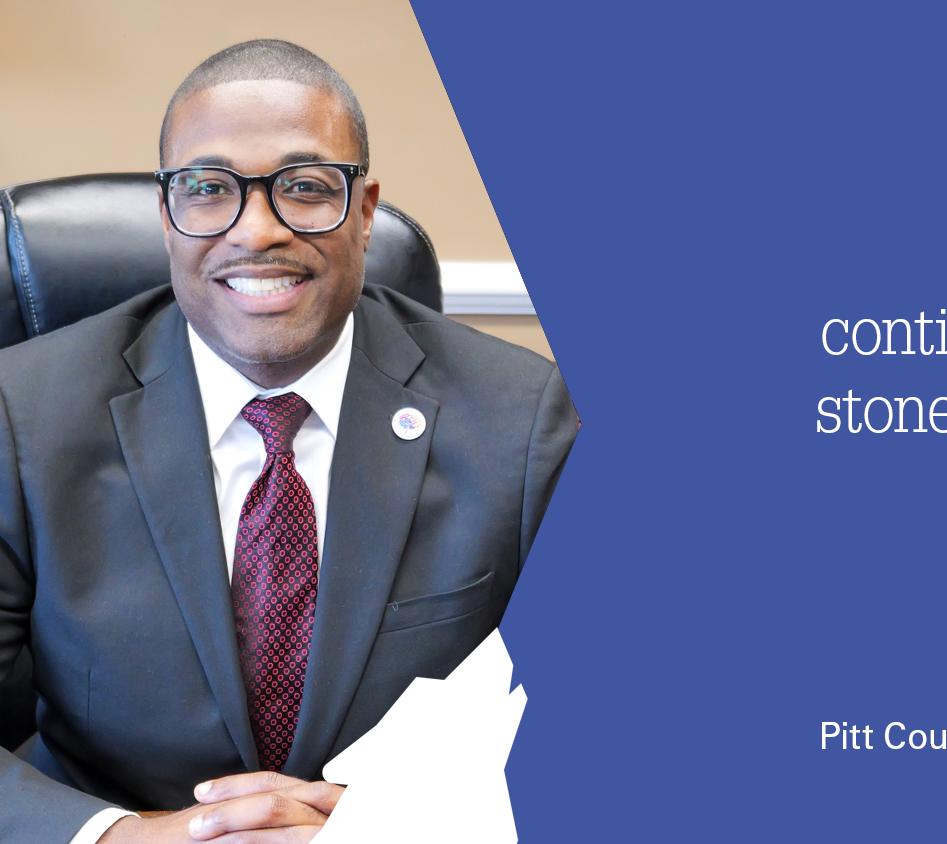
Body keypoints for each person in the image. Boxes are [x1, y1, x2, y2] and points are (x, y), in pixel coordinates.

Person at [0, 40, 577, 843]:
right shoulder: (21, 415)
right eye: (208, 190)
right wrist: (124, 836)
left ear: (366, 210)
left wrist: (407, 826)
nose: (258, 231)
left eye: (305, 188)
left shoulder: (522, 418)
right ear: (166, 213)